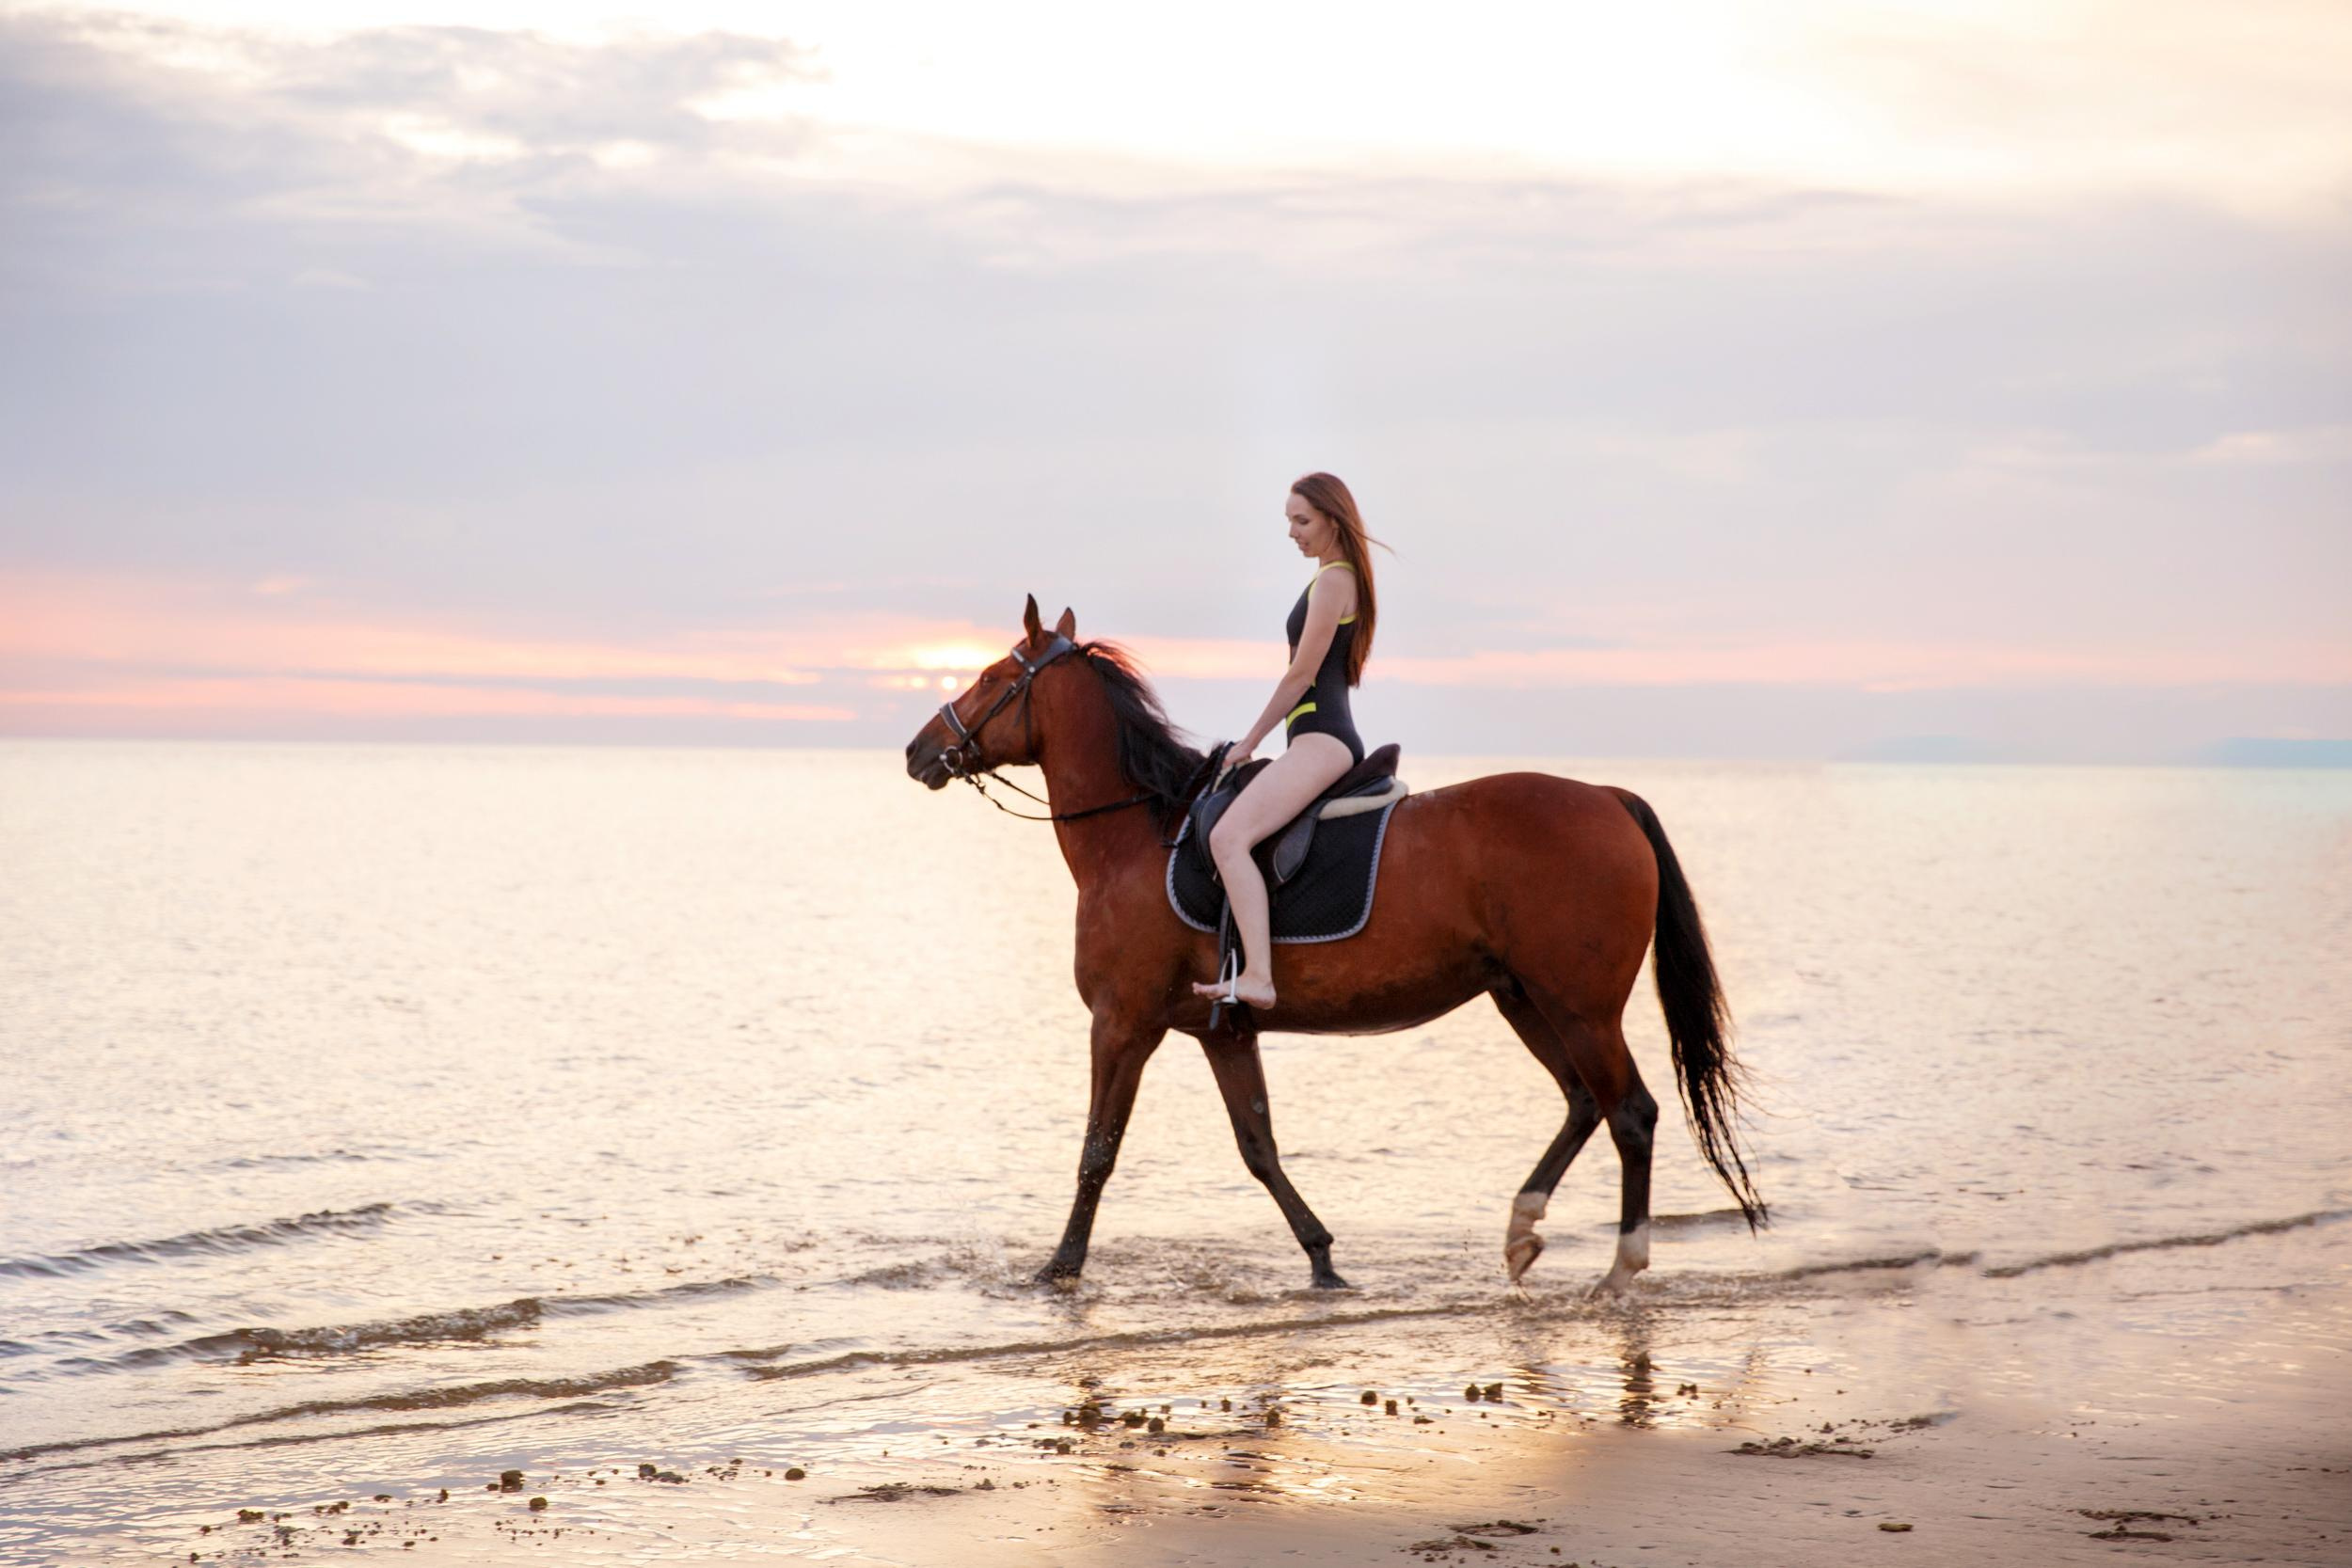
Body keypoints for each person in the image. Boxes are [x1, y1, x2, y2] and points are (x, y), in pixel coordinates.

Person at [1191, 471, 1382, 1011]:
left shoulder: (1333, 581)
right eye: (1289, 522)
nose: (1293, 532)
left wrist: (1248, 742)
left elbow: (1301, 677)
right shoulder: (1332, 580)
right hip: (1316, 738)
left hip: (1322, 739)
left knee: (1228, 839)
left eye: (1302, 521)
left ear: (1332, 519)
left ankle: (1258, 977)